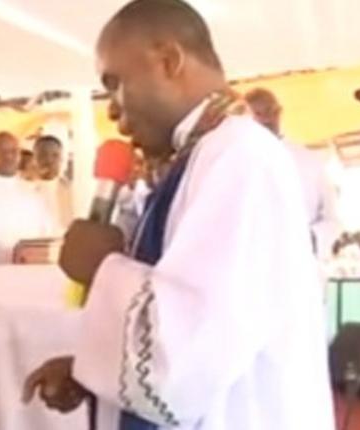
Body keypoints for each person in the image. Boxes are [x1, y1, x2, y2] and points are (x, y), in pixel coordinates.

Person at [23, 1, 334, 430]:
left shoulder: (240, 155)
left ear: (168, 61)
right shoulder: (203, 155)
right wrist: (91, 370)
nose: (112, 109)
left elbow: (186, 360)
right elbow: (201, 322)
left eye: (115, 84)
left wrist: (101, 266)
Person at [245, 87, 340, 262]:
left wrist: (311, 238)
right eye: (257, 113)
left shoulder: (309, 160)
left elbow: (332, 219)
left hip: (299, 264)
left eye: (270, 111)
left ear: (279, 112)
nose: (266, 118)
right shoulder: (235, 160)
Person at [0, 131, 50, 266]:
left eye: (14, 151)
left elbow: (46, 235)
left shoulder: (32, 193)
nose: (9, 156)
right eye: (1, 152)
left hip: (26, 272)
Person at [32, 135, 73, 236]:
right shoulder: (25, 190)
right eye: (43, 155)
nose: (49, 160)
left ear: (61, 158)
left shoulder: (71, 189)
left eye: (55, 155)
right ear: (34, 158)